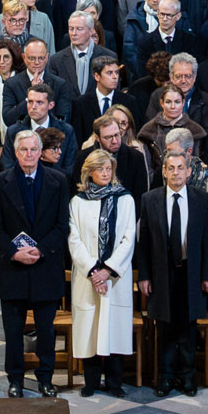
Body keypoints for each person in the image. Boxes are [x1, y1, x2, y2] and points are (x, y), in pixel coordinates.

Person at [0, 128, 70, 398]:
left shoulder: (58, 181)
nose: (29, 154)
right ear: (15, 152)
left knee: (46, 331)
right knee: (13, 332)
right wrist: (14, 252)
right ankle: (15, 380)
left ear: (40, 152)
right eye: (23, 150)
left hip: (45, 267)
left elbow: (62, 226)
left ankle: (45, 379)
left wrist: (41, 249)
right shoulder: (0, 182)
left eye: (33, 149)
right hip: (13, 269)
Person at [138, 140, 208, 396]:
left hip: (191, 272)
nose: (175, 173)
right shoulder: (150, 199)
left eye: (180, 168)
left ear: (189, 171)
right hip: (162, 273)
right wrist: (145, 276)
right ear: (163, 171)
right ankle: (165, 377)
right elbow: (144, 242)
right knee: (165, 327)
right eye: (170, 168)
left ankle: (187, 377)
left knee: (188, 328)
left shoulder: (202, 200)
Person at [68, 147, 136, 398]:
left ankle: (115, 382)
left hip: (115, 278)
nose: (105, 173)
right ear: (89, 172)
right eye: (100, 169)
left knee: (113, 328)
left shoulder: (125, 199)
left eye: (109, 169)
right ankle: (91, 382)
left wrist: (107, 270)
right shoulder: (78, 202)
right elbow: (74, 240)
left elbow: (129, 238)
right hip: (88, 279)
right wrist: (93, 270)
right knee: (90, 326)